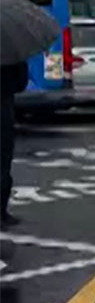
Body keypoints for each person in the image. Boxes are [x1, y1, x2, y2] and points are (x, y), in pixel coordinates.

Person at [1, 60, 27, 227]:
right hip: (3, 109)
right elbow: (21, 83)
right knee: (3, 162)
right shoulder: (11, 52)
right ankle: (1, 212)